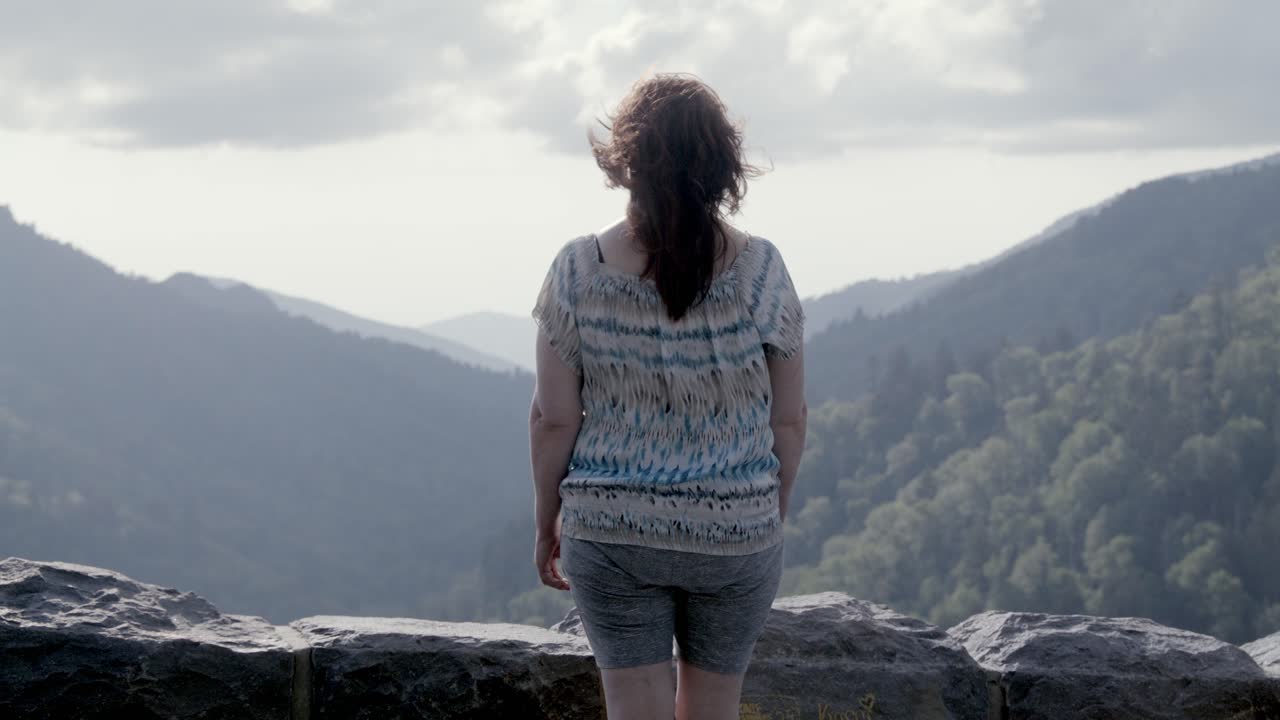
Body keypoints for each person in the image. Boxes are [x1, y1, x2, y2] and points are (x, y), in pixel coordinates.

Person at [528, 72, 806, 720]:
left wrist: (548, 520)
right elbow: (788, 420)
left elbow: (553, 419)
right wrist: (765, 510)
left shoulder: (577, 269)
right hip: (737, 530)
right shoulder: (761, 270)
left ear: (626, 163)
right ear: (723, 165)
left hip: (612, 526)